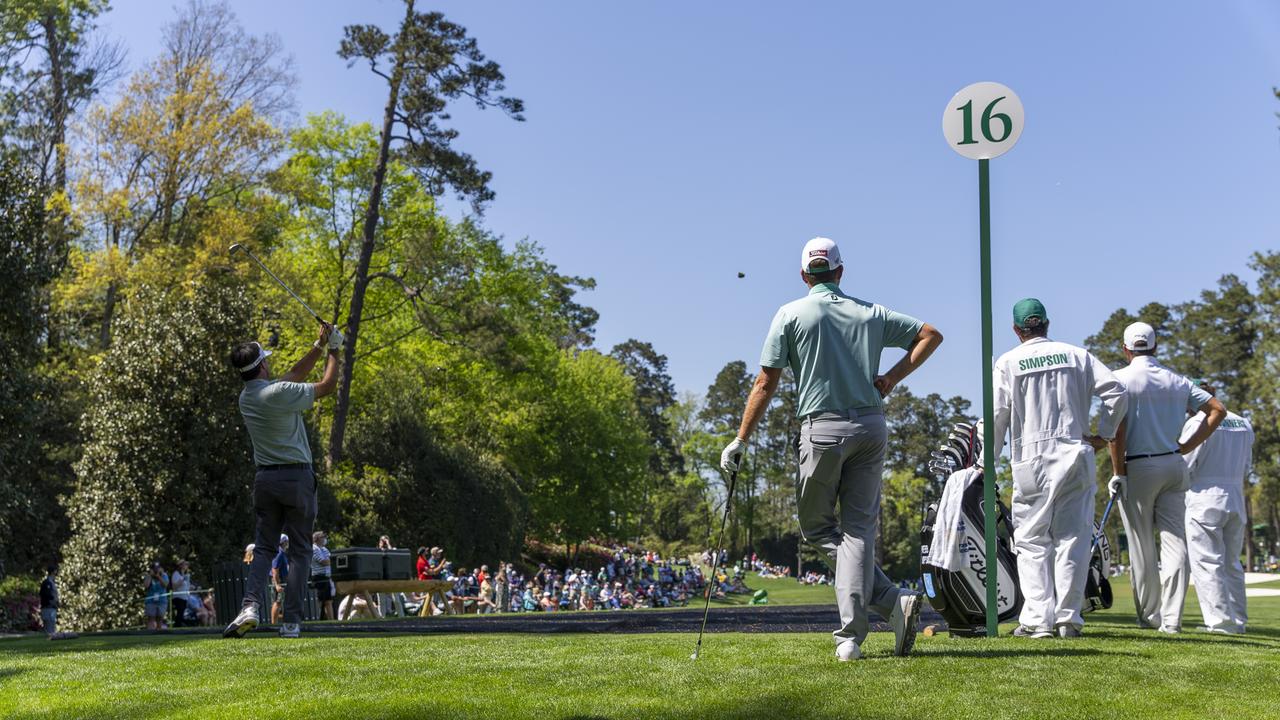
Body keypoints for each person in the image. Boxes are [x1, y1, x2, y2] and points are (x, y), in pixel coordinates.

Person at [720, 236, 942, 661]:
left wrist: (741, 438)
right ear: (840, 272)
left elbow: (765, 382)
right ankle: (892, 605)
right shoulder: (870, 312)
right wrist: (891, 378)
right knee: (858, 532)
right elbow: (930, 335)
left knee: (820, 529)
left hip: (822, 430)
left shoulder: (790, 314)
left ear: (805, 275)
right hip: (871, 427)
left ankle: (851, 637)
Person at [990, 299, 1128, 639]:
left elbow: (997, 415)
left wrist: (988, 461)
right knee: (1073, 539)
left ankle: (1038, 621)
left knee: (1032, 541)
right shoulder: (1076, 355)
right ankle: (1068, 620)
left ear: (1016, 329)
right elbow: (1117, 391)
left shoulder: (1008, 362)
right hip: (1075, 451)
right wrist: (1104, 435)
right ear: (1047, 324)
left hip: (1031, 457)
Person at [223, 322, 342, 640]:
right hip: (296, 478)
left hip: (265, 480)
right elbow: (327, 386)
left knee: (263, 548)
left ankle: (249, 607)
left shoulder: (247, 398)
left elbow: (292, 377)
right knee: (301, 550)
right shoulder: (278, 393)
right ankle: (290, 622)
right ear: (262, 364)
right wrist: (335, 349)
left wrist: (318, 346)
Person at [1109, 322, 1226, 633]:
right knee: (1176, 544)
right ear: (1155, 347)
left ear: (1126, 349)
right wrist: (1187, 445)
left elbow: (1115, 432)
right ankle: (1172, 621)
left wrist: (1117, 471)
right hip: (1174, 465)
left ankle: (1150, 617)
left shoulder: (1119, 380)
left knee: (1141, 547)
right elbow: (1217, 409)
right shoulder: (1178, 380)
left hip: (1138, 467)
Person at [1181, 383, 1253, 634]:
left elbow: (1185, 464)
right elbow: (1247, 465)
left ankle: (1221, 622)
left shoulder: (1196, 423)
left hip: (1204, 494)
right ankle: (1238, 620)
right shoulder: (1243, 422)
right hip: (1235, 494)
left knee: (1207, 561)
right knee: (1232, 562)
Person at [311, 530, 337, 621]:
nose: (325, 539)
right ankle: (317, 620)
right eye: (323, 537)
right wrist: (333, 561)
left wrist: (332, 561)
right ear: (317, 539)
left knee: (329, 601)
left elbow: (330, 560)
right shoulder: (313, 548)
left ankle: (332, 622)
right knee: (319, 601)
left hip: (327, 577)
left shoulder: (325, 549)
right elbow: (324, 562)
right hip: (319, 577)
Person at [143, 562, 169, 631]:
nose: (156, 570)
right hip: (150, 600)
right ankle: (149, 633)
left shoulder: (164, 575)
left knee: (160, 618)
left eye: (157, 568)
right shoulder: (148, 576)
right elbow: (146, 585)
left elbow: (165, 585)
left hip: (162, 600)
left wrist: (159, 576)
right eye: (154, 569)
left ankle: (159, 633)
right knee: (151, 618)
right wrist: (150, 576)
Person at [271, 534, 290, 625]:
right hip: (279, 581)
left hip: (282, 581)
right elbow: (275, 570)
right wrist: (277, 584)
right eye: (287, 541)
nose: (288, 543)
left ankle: (279, 622)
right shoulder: (279, 553)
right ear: (283, 542)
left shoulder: (282, 553)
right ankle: (274, 624)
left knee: (280, 602)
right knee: (277, 602)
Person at [169, 559, 193, 628]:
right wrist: (182, 579)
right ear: (181, 566)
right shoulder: (176, 574)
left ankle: (179, 626)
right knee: (179, 613)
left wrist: (191, 587)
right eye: (185, 564)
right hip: (178, 597)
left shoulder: (185, 575)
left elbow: (187, 587)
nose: (187, 566)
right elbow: (174, 586)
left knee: (182, 613)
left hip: (184, 597)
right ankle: (177, 627)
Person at [40, 564, 59, 637]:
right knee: (49, 627)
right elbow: (45, 595)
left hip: (52, 607)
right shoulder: (47, 583)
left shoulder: (52, 582)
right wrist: (52, 600)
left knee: (52, 626)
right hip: (48, 608)